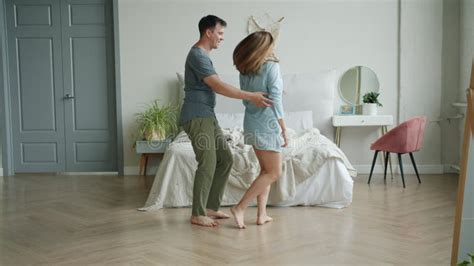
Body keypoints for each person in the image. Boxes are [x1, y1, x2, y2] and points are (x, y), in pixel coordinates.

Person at [180, 15, 273, 227]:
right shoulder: (198, 56)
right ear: (208, 32)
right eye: (220, 33)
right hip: (196, 115)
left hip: (207, 115)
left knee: (225, 159)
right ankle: (197, 213)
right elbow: (218, 86)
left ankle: (211, 207)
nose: (222, 38)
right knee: (209, 161)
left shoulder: (203, 55)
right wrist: (251, 96)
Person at [230, 31, 287, 229]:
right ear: (264, 47)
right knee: (274, 172)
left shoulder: (245, 69)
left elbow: (247, 98)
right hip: (268, 124)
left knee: (265, 170)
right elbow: (276, 100)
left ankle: (262, 214)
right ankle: (240, 207)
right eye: (271, 44)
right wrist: (284, 128)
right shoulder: (272, 66)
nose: (273, 48)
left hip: (251, 123)